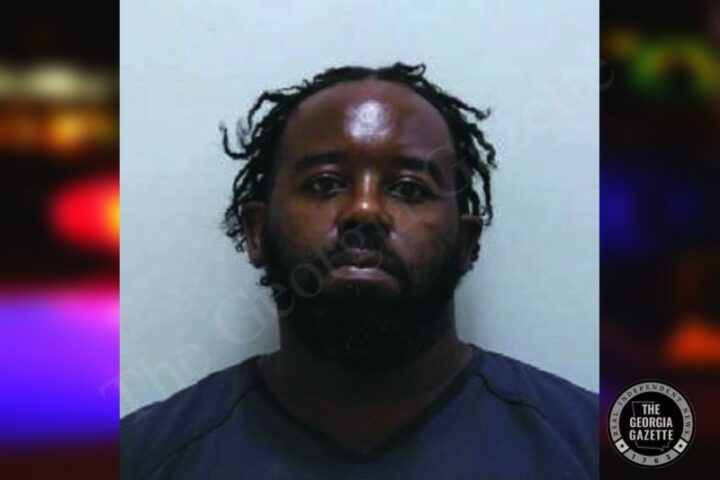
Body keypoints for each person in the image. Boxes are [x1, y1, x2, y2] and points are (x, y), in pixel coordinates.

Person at [121, 63, 598, 479]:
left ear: (467, 244)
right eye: (325, 183)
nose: (365, 210)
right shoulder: (140, 457)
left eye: (409, 188)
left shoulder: (589, 447)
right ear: (257, 231)